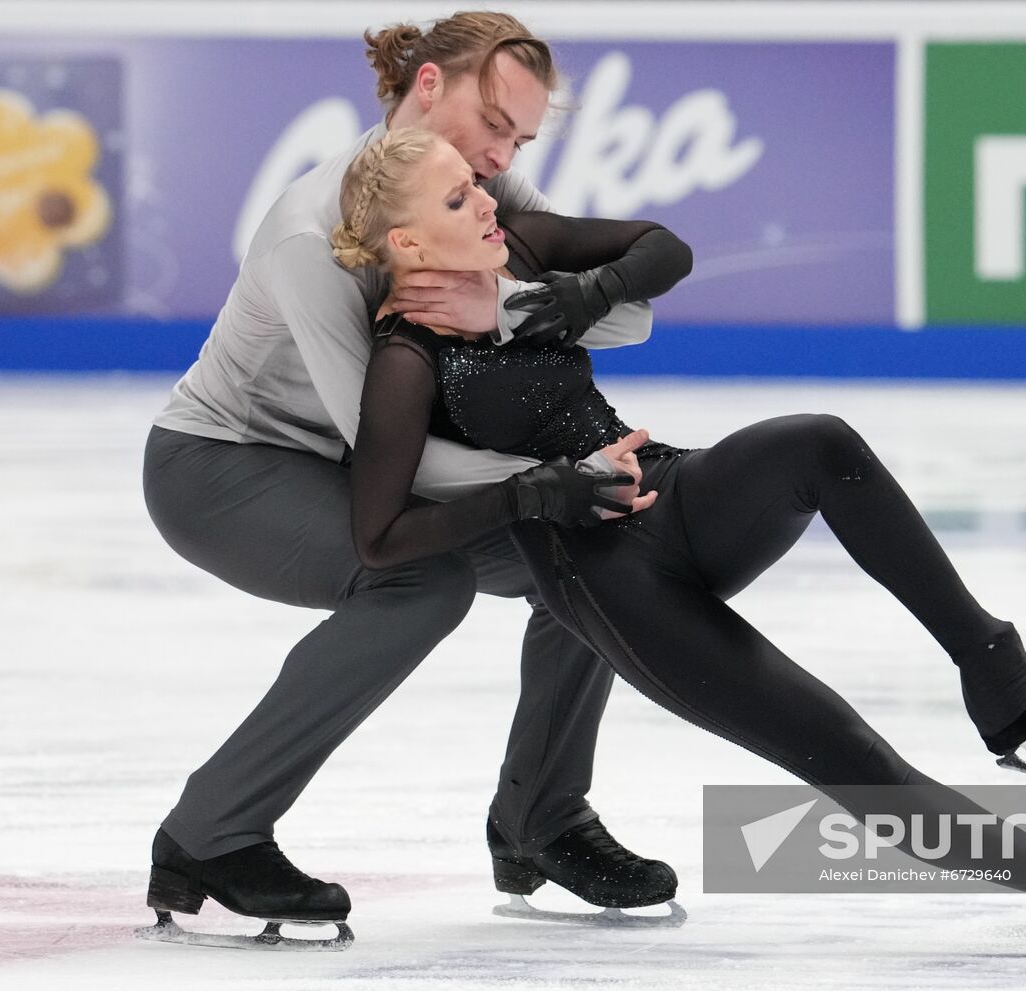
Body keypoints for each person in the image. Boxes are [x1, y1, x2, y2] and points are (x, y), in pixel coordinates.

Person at [332, 128, 1026, 959]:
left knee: (820, 442)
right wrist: (537, 493)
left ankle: (999, 676)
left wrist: (589, 290)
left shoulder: (519, 251)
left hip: (672, 487)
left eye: (475, 183)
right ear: (405, 246)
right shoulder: (408, 362)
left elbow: (664, 246)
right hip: (604, 577)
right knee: (857, 756)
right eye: (458, 200)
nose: (488, 200)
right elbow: (380, 538)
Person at [138, 13, 683, 948]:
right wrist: (547, 478)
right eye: (493, 124)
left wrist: (567, 309)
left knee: (589, 544)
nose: (502, 155)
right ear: (427, 88)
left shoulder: (481, 185)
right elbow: (387, 458)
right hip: (223, 465)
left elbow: (618, 320)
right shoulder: (309, 238)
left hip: (356, 457)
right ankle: (211, 833)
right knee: (418, 579)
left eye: (518, 138)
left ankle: (540, 821)